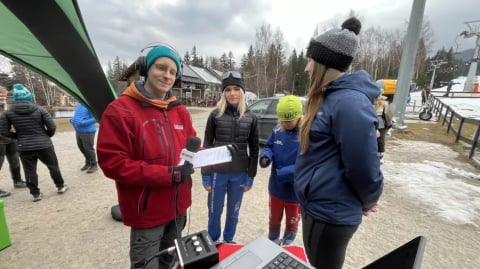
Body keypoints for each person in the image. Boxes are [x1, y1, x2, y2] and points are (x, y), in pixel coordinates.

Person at [96, 44, 197, 269]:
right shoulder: (120, 110)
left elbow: (190, 146)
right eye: (161, 68)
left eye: (172, 71)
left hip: (179, 207)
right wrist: (168, 174)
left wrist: (211, 157)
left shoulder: (180, 110)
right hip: (148, 213)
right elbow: (113, 164)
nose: (167, 75)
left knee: (171, 263)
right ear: (146, 69)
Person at [294, 17, 384, 269]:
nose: (307, 68)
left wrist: (368, 200)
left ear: (324, 65)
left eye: (311, 61)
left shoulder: (348, 103)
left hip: (331, 214)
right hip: (319, 208)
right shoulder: (332, 98)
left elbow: (364, 165)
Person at [201, 71, 259, 244]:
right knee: (214, 211)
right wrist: (205, 174)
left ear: (242, 92)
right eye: (228, 89)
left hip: (239, 174)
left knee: (233, 213)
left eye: (236, 89)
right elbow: (207, 146)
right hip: (218, 173)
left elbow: (254, 149)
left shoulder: (250, 117)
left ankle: (228, 241)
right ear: (223, 92)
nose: (232, 93)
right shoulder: (215, 115)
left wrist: (251, 176)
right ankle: (213, 242)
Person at [0, 83, 68, 202]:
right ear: (29, 97)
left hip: (24, 146)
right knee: (53, 166)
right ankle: (60, 186)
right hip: (44, 144)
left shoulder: (7, 113)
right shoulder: (40, 109)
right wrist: (46, 136)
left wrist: (18, 136)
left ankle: (36, 194)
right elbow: (51, 126)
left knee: (29, 170)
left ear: (15, 98)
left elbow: (4, 132)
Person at [259, 95, 302, 246]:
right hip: (276, 189)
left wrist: (283, 173)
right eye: (282, 120)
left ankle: (288, 243)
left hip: (295, 193)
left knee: (292, 221)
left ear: (298, 116)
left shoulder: (306, 134)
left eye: (289, 121)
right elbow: (269, 146)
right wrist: (265, 156)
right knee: (274, 219)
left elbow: (307, 164)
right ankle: (273, 240)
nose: (285, 123)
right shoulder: (278, 129)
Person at [0, 86, 27, 198]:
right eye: (1, 95)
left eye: (4, 95)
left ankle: (17, 180)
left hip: (10, 138)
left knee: (15, 160)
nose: (3, 97)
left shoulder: (6, 107)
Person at [70, 103, 98, 173]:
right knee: (81, 148)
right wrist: (72, 120)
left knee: (89, 149)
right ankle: (88, 163)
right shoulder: (79, 104)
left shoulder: (90, 105)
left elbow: (96, 118)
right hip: (78, 131)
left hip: (88, 131)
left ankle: (94, 165)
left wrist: (82, 123)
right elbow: (77, 116)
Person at [374, 90, 392, 164]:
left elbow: (387, 115)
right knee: (380, 140)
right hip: (377, 121)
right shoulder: (371, 102)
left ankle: (380, 155)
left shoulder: (385, 104)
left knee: (380, 140)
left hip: (379, 122)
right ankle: (379, 155)